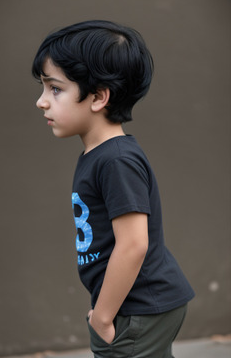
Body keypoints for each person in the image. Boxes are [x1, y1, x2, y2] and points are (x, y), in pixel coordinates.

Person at [32, 20, 195, 358]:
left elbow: (134, 244)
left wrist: (104, 317)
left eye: (55, 89)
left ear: (98, 97)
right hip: (131, 305)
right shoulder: (99, 156)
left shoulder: (116, 160)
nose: (42, 102)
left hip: (139, 309)